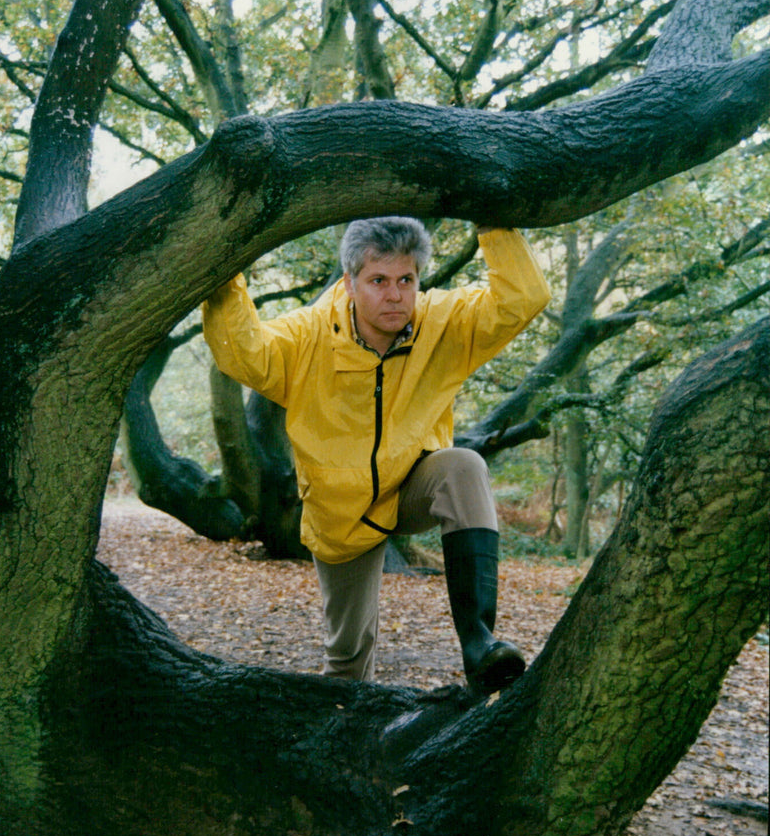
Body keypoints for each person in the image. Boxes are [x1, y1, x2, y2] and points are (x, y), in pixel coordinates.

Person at [203, 217, 550, 696]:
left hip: (411, 485)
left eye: (406, 280)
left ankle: (480, 644)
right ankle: (346, 742)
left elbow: (522, 299)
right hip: (341, 515)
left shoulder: (442, 324)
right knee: (347, 659)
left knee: (464, 466)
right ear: (349, 283)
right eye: (379, 281)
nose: (394, 296)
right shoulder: (309, 335)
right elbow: (244, 353)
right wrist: (224, 276)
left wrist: (492, 221)